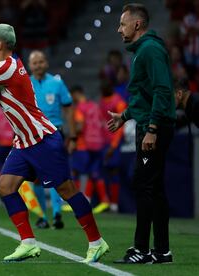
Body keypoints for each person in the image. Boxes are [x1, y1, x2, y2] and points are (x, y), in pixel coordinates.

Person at [0, 24, 108, 263]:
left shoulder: (7, 66)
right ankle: (28, 243)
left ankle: (96, 242)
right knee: (5, 186)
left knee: (66, 190)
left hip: (42, 140)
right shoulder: (8, 67)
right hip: (24, 142)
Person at [109, 3, 176, 264]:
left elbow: (162, 90)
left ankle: (141, 249)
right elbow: (144, 94)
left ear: (137, 24)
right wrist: (124, 116)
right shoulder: (143, 50)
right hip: (150, 124)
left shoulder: (149, 50)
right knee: (154, 188)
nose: (119, 29)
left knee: (143, 184)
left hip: (153, 129)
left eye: (122, 24)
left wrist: (152, 130)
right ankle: (162, 251)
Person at [27, 50, 76, 229]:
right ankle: (42, 216)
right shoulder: (26, 83)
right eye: (35, 63)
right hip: (33, 135)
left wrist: (72, 135)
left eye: (41, 62)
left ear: (46, 63)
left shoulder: (57, 82)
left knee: (57, 175)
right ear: (30, 66)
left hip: (55, 132)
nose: (38, 65)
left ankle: (57, 214)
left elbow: (69, 108)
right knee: (37, 178)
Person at [69, 86, 108, 214]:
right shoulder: (94, 106)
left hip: (83, 145)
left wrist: (71, 136)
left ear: (76, 94)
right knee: (94, 173)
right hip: (97, 144)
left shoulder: (80, 108)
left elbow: (80, 126)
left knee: (76, 172)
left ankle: (77, 202)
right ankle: (103, 201)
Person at [99, 80, 127, 213]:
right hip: (102, 142)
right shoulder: (102, 101)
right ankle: (106, 202)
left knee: (114, 172)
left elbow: (122, 124)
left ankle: (114, 204)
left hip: (113, 142)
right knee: (103, 173)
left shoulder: (119, 101)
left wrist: (114, 145)